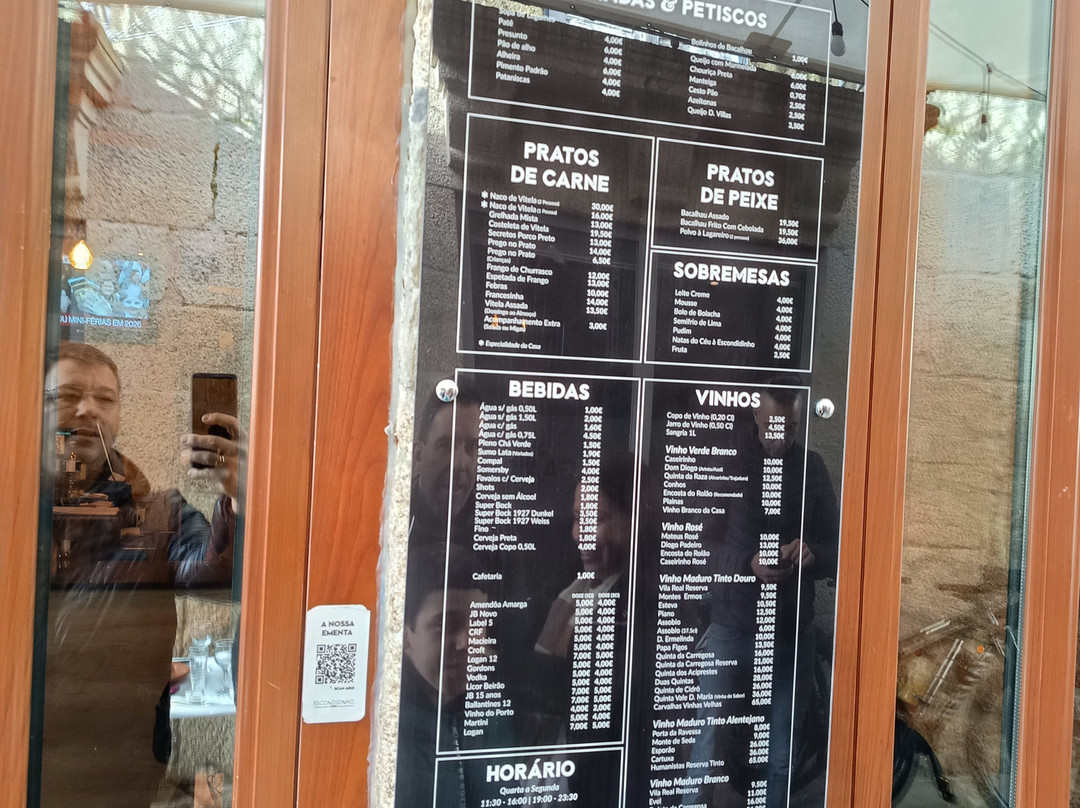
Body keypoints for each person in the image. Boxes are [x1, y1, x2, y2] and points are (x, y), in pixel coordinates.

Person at [40, 341, 240, 808]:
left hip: (116, 773)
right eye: (67, 394)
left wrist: (238, 498)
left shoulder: (159, 514)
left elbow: (212, 573)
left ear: (119, 415)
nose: (88, 409)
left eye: (105, 399)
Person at [688, 382, 839, 808]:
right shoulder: (728, 464)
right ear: (755, 414)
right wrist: (747, 564)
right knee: (706, 740)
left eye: (790, 428)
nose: (781, 437)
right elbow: (699, 546)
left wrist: (813, 553)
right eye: (774, 425)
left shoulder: (812, 467)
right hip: (732, 625)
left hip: (791, 630)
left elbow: (838, 545)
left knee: (782, 751)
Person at [395, 545, 510, 808]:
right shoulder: (387, 727)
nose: (465, 643)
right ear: (404, 634)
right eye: (445, 624)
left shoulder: (507, 715)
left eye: (478, 624)